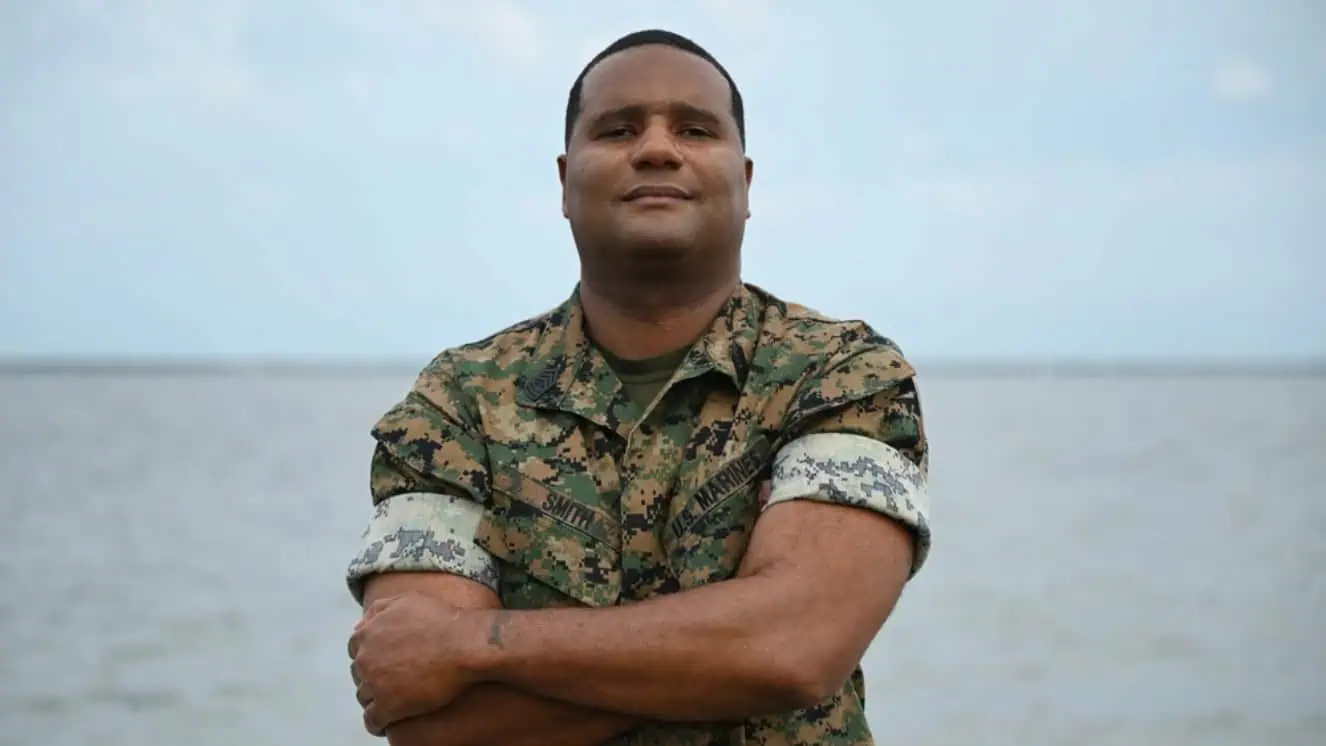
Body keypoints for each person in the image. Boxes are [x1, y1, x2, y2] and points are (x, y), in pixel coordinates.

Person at [344, 28, 932, 746]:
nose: (656, 148)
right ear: (565, 180)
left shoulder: (842, 373)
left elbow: (797, 646)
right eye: (618, 129)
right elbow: (426, 718)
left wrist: (472, 644)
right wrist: (725, 657)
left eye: (694, 128)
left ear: (746, 182)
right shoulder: (455, 404)